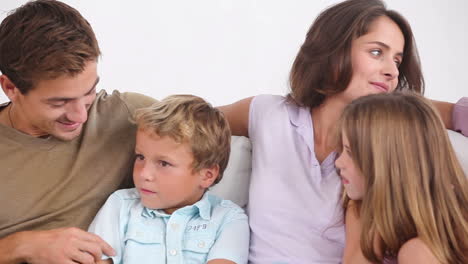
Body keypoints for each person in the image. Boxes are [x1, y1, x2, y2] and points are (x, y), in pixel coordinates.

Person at [219, 0, 467, 263]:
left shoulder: (393, 136)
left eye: (397, 60)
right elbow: (186, 121)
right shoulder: (267, 114)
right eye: (375, 52)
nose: (392, 71)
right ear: (332, 50)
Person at [0, 1, 156, 263]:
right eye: (58, 102)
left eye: (88, 92)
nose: (81, 116)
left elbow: (216, 125)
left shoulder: (127, 115)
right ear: (11, 88)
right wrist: (22, 245)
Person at [88, 95, 249, 264]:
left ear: (206, 175)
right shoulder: (120, 206)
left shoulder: (228, 219)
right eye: (140, 157)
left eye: (164, 163)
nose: (144, 174)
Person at [336, 92, 468, 264]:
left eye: (351, 153)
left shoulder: (418, 253)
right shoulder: (359, 206)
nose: (338, 162)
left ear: (390, 166)